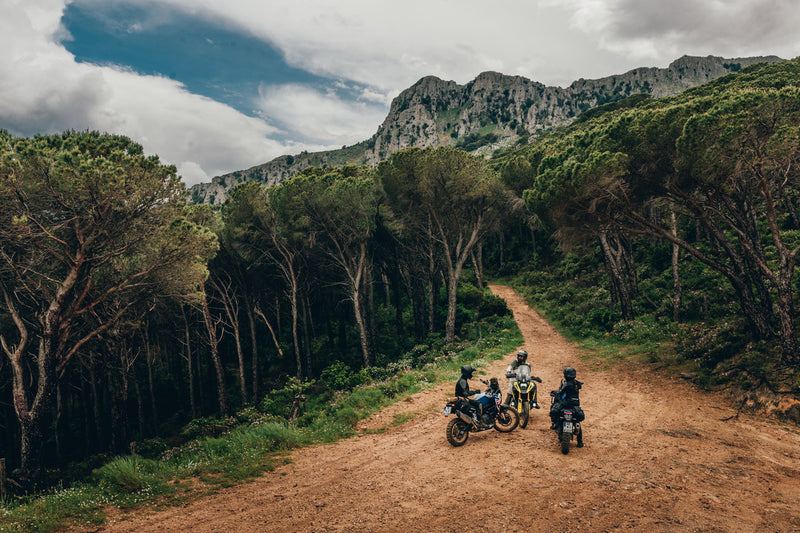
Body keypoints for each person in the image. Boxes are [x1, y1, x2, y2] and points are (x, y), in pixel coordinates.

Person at [549, 366, 584, 447]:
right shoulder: (577, 384)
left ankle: (554, 424)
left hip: (566, 403)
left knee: (554, 410)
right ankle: (580, 442)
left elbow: (560, 393)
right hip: (575, 404)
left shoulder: (567, 384)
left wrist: (555, 393)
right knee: (577, 421)